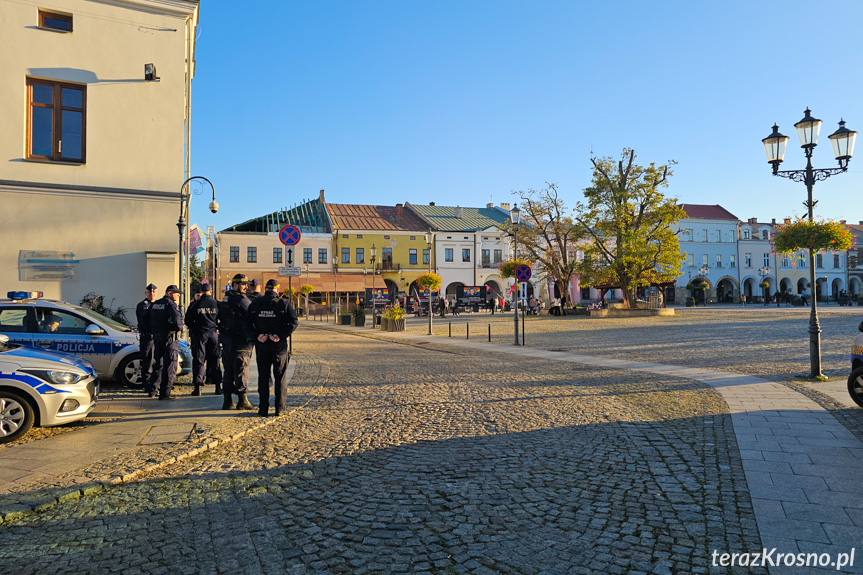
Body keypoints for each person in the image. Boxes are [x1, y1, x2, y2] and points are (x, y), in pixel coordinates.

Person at [245, 280, 298, 417]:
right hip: (278, 345)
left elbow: (247, 324)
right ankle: (280, 409)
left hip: (262, 344)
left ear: (266, 288)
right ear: (277, 289)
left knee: (263, 377)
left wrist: (257, 336)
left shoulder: (256, 303)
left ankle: (263, 409)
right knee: (280, 377)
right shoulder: (283, 303)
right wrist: (280, 335)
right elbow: (293, 322)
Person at [218, 274, 255, 410]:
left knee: (228, 371)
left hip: (227, 339)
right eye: (243, 284)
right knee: (241, 369)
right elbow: (252, 314)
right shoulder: (241, 300)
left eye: (246, 284)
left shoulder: (226, 298)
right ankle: (242, 400)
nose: (246, 287)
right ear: (235, 285)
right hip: (240, 340)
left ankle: (227, 401)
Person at [185, 281, 221, 396]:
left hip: (200, 334)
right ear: (211, 291)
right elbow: (222, 319)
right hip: (213, 333)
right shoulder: (216, 304)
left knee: (199, 360)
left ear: (201, 291)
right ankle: (217, 387)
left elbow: (187, 321)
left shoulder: (195, 304)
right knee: (215, 359)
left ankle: (197, 387)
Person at [148, 285, 184, 400]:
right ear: (169, 293)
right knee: (170, 366)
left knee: (158, 364)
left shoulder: (155, 304)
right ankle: (165, 393)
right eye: (176, 293)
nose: (178, 295)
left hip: (157, 337)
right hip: (169, 338)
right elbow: (177, 320)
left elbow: (146, 319)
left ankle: (153, 390)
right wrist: (180, 327)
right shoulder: (170, 304)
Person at [136, 283, 157, 390]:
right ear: (146, 293)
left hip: (157, 337)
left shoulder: (158, 304)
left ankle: (156, 382)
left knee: (157, 361)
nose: (152, 294)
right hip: (147, 337)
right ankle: (147, 384)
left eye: (154, 292)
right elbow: (144, 321)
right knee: (148, 361)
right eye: (150, 292)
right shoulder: (142, 305)